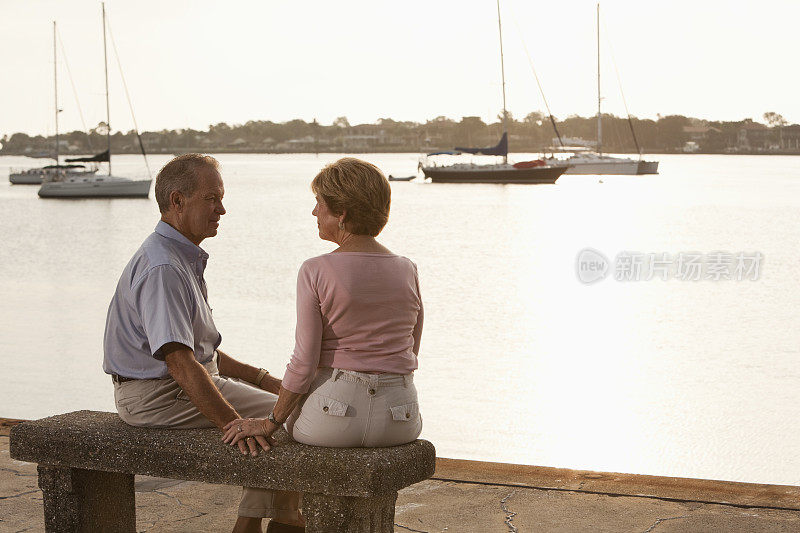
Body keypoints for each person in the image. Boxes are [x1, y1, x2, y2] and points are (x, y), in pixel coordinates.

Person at [103, 154, 304, 533]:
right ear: (177, 201)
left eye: (221, 198)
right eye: (212, 199)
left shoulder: (177, 256)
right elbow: (180, 363)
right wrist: (236, 424)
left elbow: (198, 352)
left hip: (165, 388)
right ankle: (272, 523)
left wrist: (263, 379)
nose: (222, 210)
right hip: (157, 396)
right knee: (296, 420)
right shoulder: (163, 268)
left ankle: (263, 521)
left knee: (284, 411)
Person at [222, 157, 423, 456]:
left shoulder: (316, 270)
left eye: (319, 203)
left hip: (333, 419)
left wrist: (271, 422)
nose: (314, 211)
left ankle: (271, 507)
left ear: (341, 212)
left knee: (266, 436)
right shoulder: (408, 269)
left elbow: (304, 362)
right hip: (400, 419)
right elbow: (411, 348)